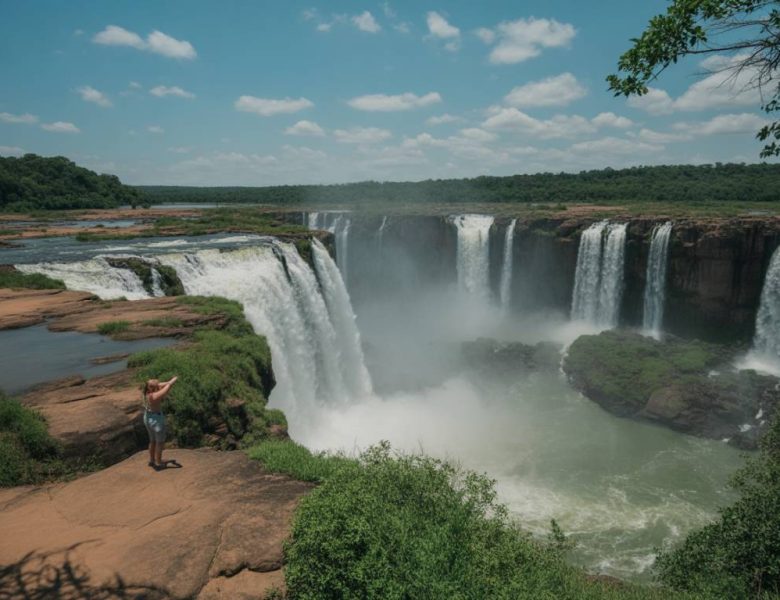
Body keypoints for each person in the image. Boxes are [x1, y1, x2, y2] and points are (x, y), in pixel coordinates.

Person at [142, 376, 178, 470]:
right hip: (156, 420)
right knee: (160, 443)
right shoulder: (155, 396)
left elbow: (161, 385)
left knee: (152, 440)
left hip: (147, 418)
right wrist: (172, 381)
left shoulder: (146, 392)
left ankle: (152, 460)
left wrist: (169, 381)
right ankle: (158, 463)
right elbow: (167, 388)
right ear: (153, 387)